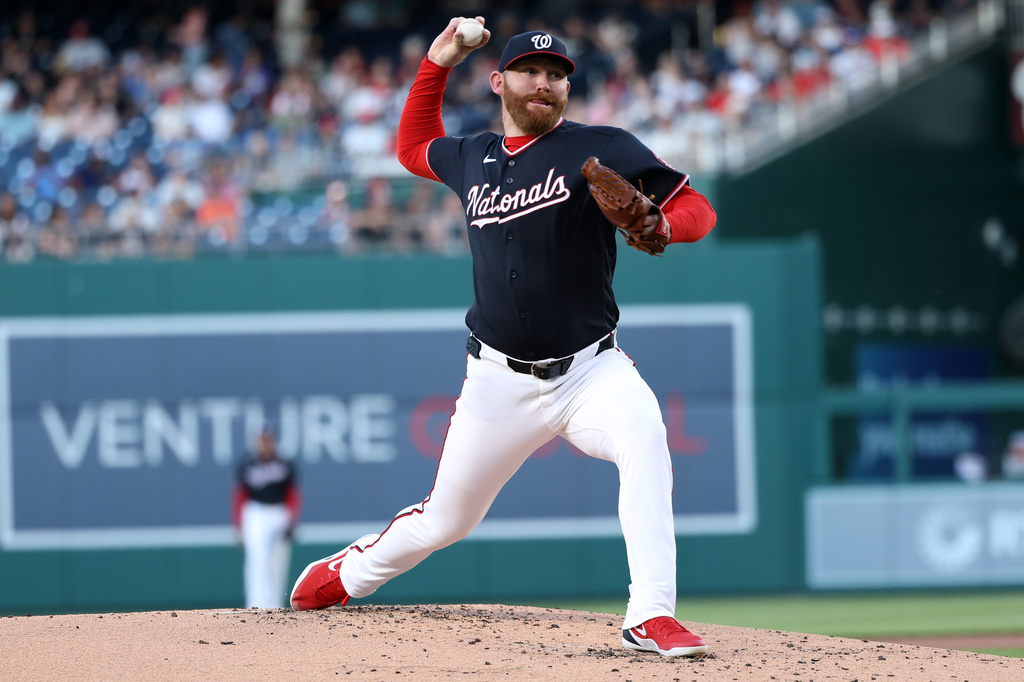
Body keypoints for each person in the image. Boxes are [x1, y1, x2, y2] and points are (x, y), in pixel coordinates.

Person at [289, 17, 717, 658]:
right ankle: (346, 574)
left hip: (589, 372)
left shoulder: (601, 148)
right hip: (496, 380)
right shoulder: (473, 156)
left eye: (557, 75)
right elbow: (412, 148)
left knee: (645, 437)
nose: (545, 83)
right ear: (499, 81)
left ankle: (649, 614)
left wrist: (663, 222)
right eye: (531, 72)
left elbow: (698, 210)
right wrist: (436, 63)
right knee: (446, 520)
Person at [232, 427, 302, 609]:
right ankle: (256, 604)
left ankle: (275, 604)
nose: (264, 444)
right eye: (261, 440)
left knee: (279, 560)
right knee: (257, 558)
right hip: (256, 513)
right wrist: (238, 525)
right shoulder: (248, 464)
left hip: (279, 511)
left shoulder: (284, 464)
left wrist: (292, 519)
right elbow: (240, 495)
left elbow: (293, 494)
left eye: (268, 439)